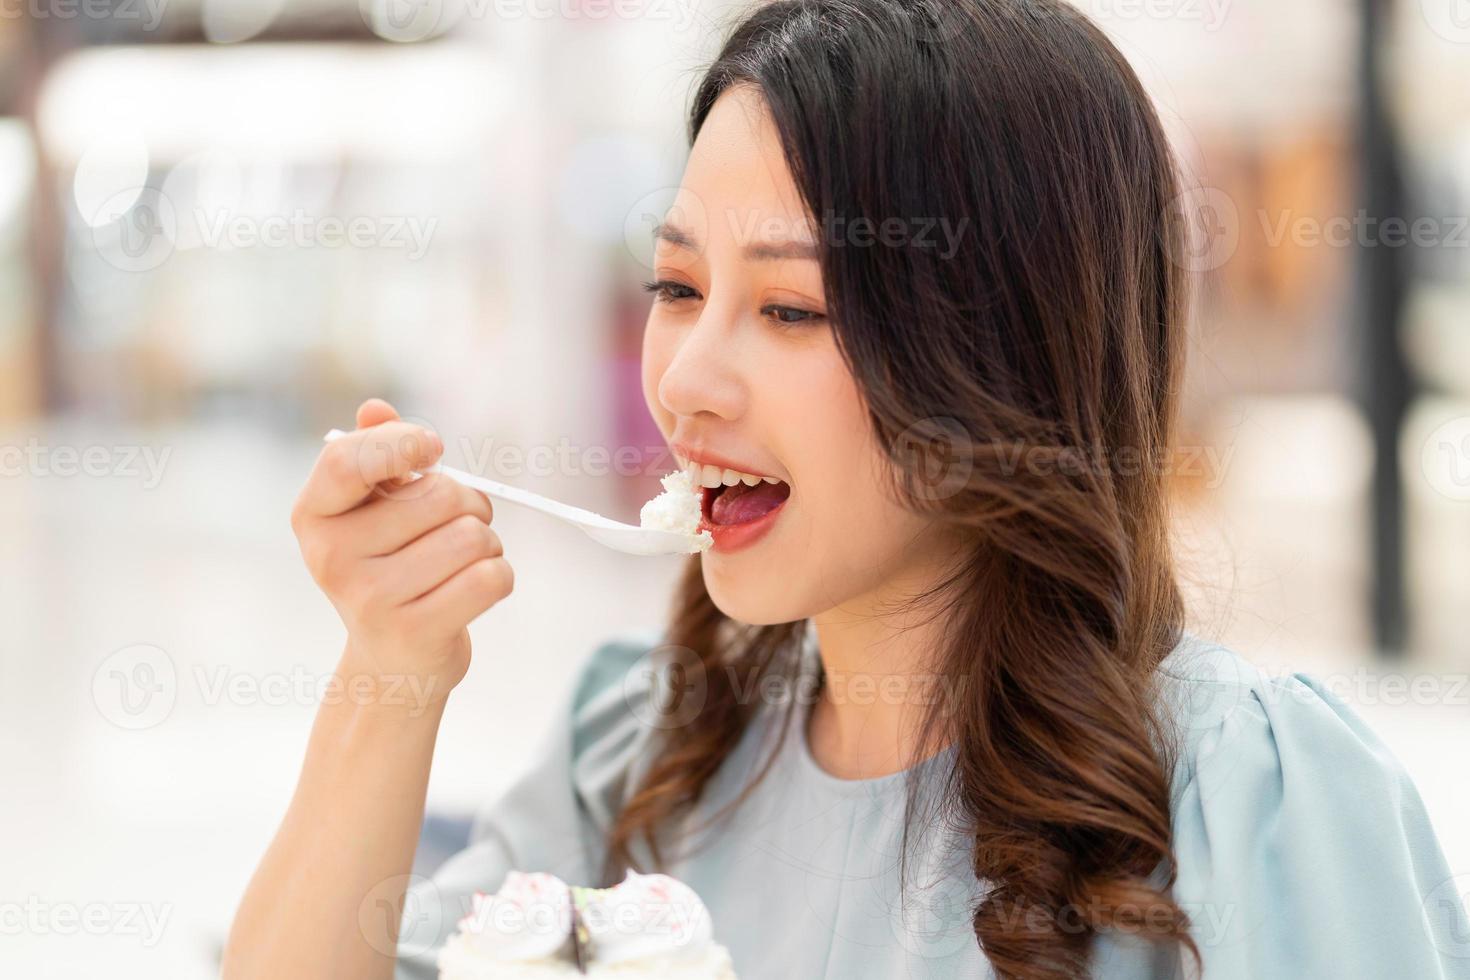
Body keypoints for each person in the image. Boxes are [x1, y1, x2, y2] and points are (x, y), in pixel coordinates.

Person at [223, 1, 1470, 978]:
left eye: (791, 307)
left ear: (1005, 350)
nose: (687, 383)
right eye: (675, 287)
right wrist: (390, 669)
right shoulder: (643, 750)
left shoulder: (1255, 798)